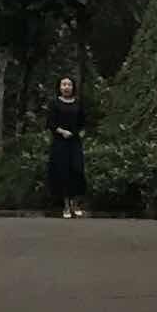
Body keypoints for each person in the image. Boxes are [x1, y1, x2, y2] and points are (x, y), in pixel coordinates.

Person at [47, 72, 90, 220]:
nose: (67, 87)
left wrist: (81, 133)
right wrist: (62, 131)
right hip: (60, 142)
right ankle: (65, 206)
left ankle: (75, 204)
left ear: (73, 87)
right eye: (64, 84)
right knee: (63, 172)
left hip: (75, 142)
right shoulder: (54, 103)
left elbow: (84, 121)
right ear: (59, 87)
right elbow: (50, 123)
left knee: (77, 170)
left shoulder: (78, 103)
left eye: (69, 84)